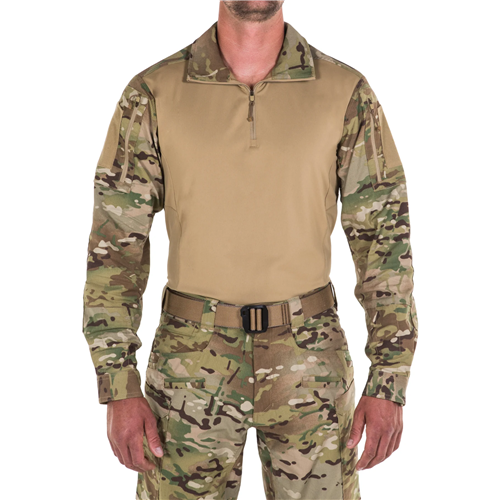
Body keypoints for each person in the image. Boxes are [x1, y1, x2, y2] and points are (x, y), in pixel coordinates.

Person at [81, 1, 418, 499]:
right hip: (189, 365)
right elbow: (114, 250)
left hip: (311, 359)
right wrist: (117, 382)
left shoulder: (345, 92)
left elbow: (384, 241)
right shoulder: (153, 93)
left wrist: (389, 379)